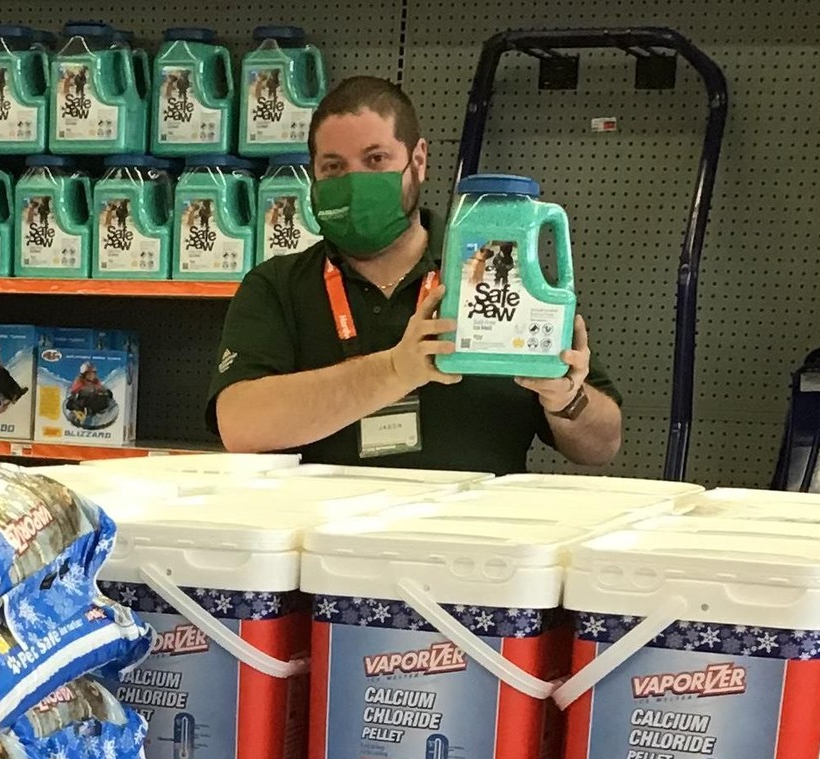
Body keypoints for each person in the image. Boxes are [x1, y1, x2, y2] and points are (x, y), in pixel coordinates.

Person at [209, 76, 623, 472]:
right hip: (326, 520)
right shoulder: (277, 286)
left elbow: (602, 446)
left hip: (475, 520)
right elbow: (240, 425)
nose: (355, 183)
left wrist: (567, 400)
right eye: (333, 167)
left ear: (419, 160)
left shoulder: (501, 273)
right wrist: (393, 370)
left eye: (376, 160)